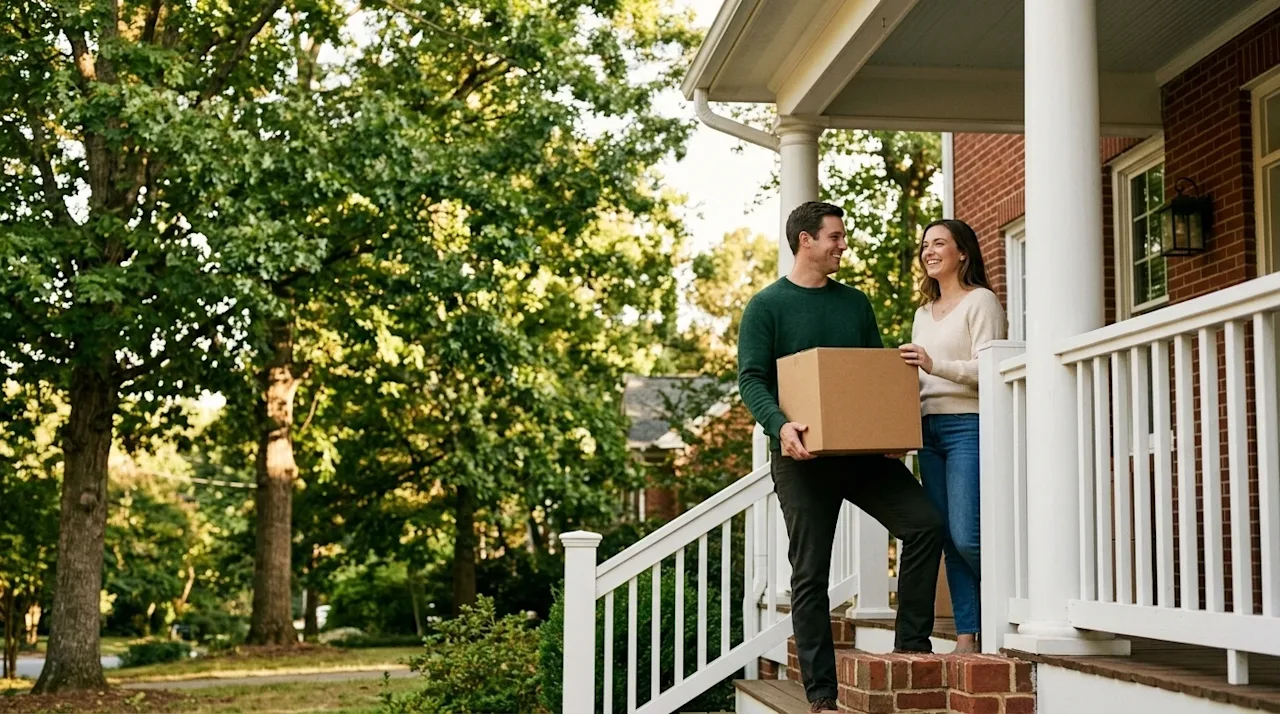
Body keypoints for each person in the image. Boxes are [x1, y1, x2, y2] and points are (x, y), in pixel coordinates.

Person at [738, 201, 945, 713]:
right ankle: (822, 697)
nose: (842, 245)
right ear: (805, 240)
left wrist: (889, 425)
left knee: (924, 526)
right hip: (802, 458)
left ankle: (912, 648)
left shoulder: (855, 304)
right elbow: (751, 379)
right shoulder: (767, 307)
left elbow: (871, 372)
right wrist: (780, 425)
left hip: (861, 453)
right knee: (810, 573)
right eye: (835, 237)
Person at [898, 219, 1005, 654]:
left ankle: (1010, 598)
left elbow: (991, 370)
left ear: (963, 252)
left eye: (939, 243)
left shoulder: (981, 302)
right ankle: (967, 633)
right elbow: (912, 381)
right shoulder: (923, 313)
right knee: (944, 535)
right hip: (928, 429)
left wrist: (934, 365)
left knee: (967, 535)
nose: (929, 251)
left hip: (967, 424)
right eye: (925, 245)